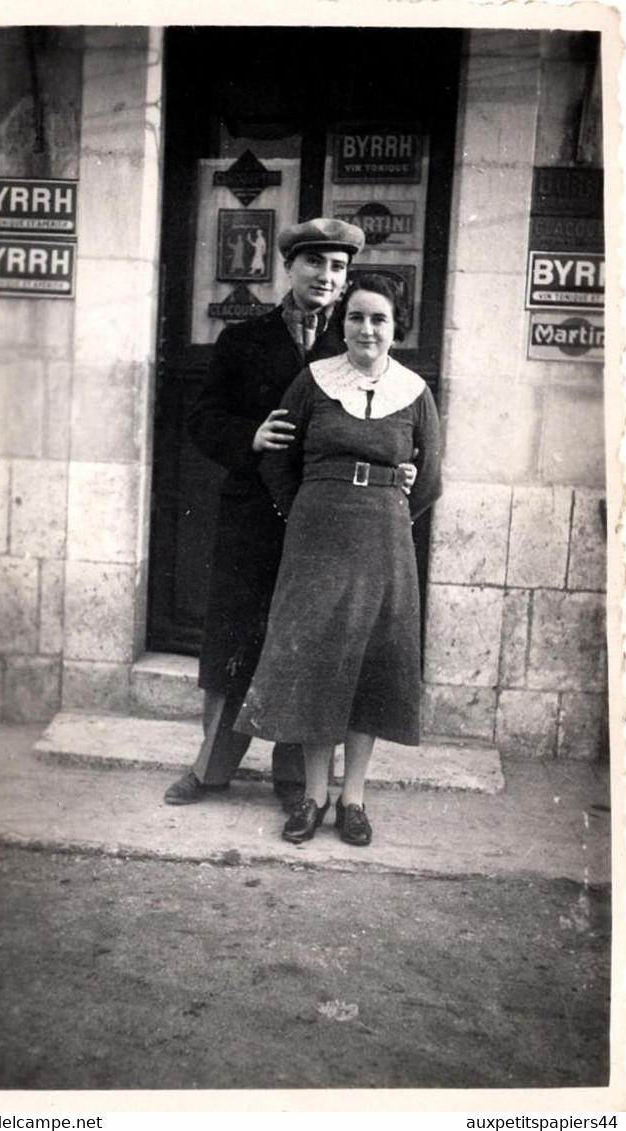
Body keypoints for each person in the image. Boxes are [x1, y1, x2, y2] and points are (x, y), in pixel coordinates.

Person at [164, 219, 416, 810]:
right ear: (290, 268)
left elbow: (395, 423)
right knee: (237, 639)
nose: (325, 278)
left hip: (329, 528)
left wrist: (399, 471)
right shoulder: (242, 342)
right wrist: (248, 435)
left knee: (315, 644)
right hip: (253, 514)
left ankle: (294, 779)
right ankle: (211, 768)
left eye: (337, 268)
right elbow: (203, 419)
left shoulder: (356, 344)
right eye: (314, 264)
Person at [235, 273, 442, 846]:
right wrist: (297, 513)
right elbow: (277, 456)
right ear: (342, 324)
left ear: (396, 327)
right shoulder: (312, 382)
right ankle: (313, 797)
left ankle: (354, 800)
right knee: (316, 662)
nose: (366, 329)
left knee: (369, 667)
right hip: (316, 540)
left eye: (378, 318)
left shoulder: (414, 393)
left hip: (382, 543)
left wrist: (390, 513)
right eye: (356, 317)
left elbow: (429, 481)